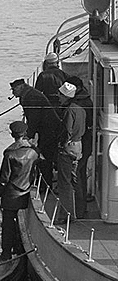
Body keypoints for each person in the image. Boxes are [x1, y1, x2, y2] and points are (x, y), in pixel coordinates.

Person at [0, 121, 38, 260]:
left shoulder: (10, 153)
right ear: (25, 134)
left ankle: (6, 253)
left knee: (7, 224)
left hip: (11, 194)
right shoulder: (34, 152)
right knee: (21, 223)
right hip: (25, 192)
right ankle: (19, 249)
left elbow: (3, 178)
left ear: (12, 134)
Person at [10, 78, 61, 188]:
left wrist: (28, 136)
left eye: (14, 90)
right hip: (46, 129)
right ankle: (45, 181)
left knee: (45, 156)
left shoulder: (31, 97)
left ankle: (45, 184)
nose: (13, 93)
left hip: (49, 130)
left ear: (21, 87)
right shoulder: (29, 94)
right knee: (45, 155)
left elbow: (34, 119)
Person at [55, 81, 86, 221]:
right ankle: (80, 211)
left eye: (60, 95)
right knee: (75, 180)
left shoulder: (69, 111)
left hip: (68, 148)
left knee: (65, 182)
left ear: (66, 97)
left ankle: (66, 216)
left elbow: (67, 131)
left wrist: (61, 145)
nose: (58, 97)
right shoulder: (81, 109)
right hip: (78, 146)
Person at [66, 75, 93, 217]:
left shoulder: (77, 105)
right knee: (79, 174)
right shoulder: (85, 100)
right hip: (85, 142)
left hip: (81, 143)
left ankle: (79, 209)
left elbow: (72, 129)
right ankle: (81, 208)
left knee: (76, 175)